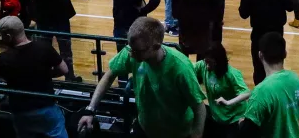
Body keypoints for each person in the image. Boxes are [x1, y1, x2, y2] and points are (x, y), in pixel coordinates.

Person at [78, 17, 207, 137]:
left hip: (176, 133)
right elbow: (108, 76)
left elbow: (199, 108)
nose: (132, 55)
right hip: (145, 127)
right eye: (131, 49)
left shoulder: (181, 68)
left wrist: (196, 135)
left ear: (156, 47)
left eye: (137, 51)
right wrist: (90, 110)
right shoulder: (133, 51)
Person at [239, 0, 294, 84]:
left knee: (259, 71)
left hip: (259, 36)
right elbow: (290, 6)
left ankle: (261, 98)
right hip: (277, 35)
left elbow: (243, 14)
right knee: (277, 70)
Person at [237, 32, 299, 138]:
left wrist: (241, 123)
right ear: (285, 53)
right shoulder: (295, 79)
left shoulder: (261, 92)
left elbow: (246, 133)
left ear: (260, 55)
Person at [193, 43, 250, 136]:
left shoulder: (231, 74)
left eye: (210, 63)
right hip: (216, 116)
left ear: (218, 62)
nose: (207, 66)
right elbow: (187, 70)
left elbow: (246, 93)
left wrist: (228, 102)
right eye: (205, 62)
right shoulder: (203, 66)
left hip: (233, 119)